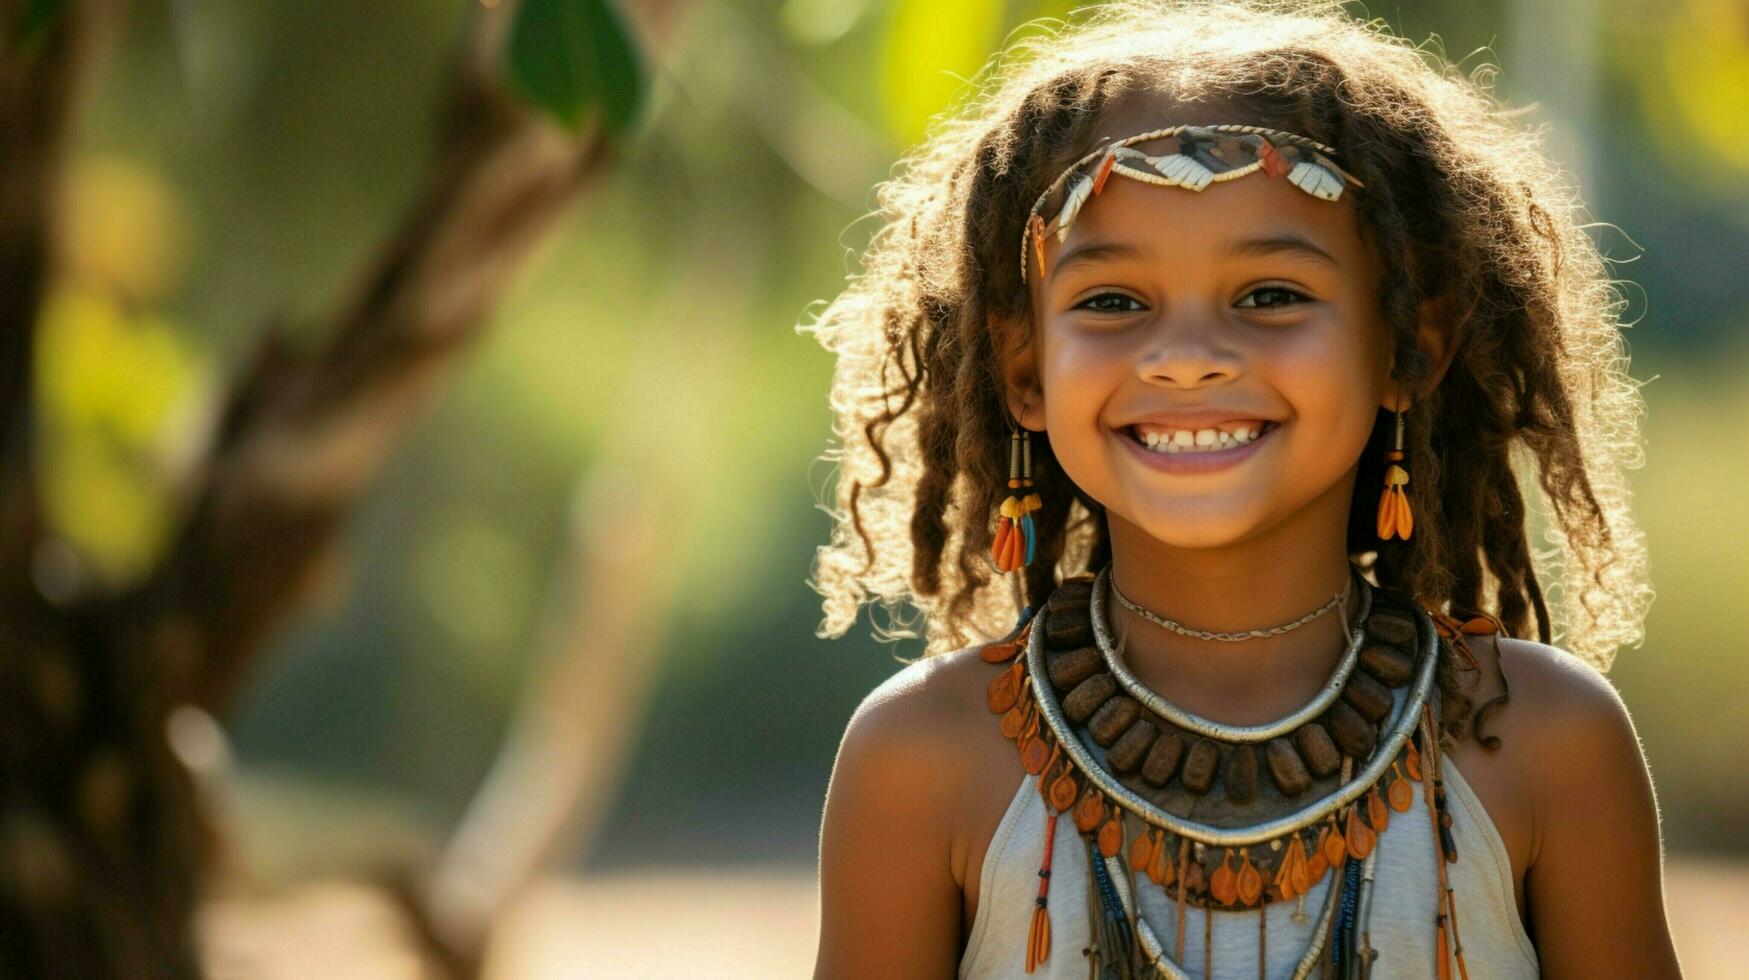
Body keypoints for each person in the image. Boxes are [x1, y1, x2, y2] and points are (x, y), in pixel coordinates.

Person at [805, 1, 1681, 977]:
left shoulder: (1544, 742)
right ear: (1024, 368)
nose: (1186, 358)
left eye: (1270, 295)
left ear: (1410, 344)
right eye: (1112, 302)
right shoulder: (923, 759)